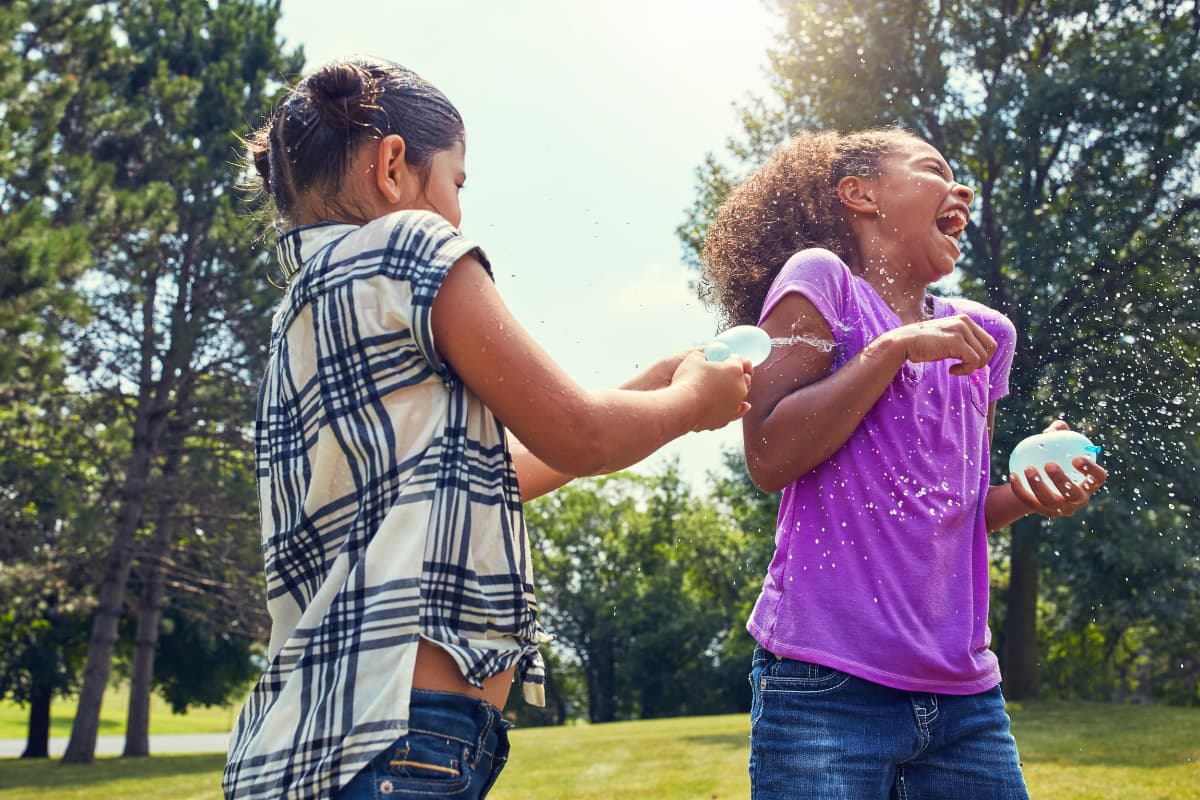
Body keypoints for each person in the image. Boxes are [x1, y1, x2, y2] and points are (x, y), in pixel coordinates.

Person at [221, 57, 753, 800]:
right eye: (458, 182)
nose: (459, 212)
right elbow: (581, 434)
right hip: (399, 740)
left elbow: (499, 467)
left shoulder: (300, 315)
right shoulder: (409, 245)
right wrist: (694, 403)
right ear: (393, 165)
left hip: (309, 743)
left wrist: (648, 393)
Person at [700, 128, 1108, 800]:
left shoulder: (985, 335)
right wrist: (892, 350)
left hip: (964, 698)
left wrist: (1028, 495)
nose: (963, 190)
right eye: (932, 169)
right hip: (825, 686)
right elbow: (770, 456)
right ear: (859, 195)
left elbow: (957, 509)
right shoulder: (823, 279)